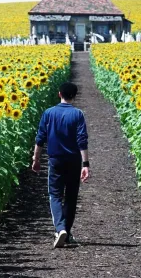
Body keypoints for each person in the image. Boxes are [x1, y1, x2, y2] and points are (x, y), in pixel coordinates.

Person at [32, 82, 90, 248]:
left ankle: (60, 228)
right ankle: (67, 232)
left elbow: (40, 138)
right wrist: (85, 164)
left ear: (59, 94)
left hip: (55, 159)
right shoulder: (78, 114)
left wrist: (36, 159)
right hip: (73, 160)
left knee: (55, 194)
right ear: (74, 96)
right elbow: (82, 140)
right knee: (71, 197)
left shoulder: (49, 113)